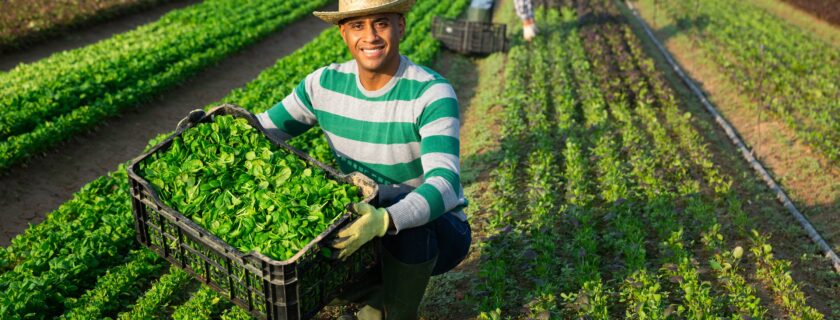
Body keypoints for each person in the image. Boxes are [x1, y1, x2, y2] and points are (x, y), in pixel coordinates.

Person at [255, 0, 471, 318]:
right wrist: (215, 126)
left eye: (380, 23)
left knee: (406, 222)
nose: (370, 36)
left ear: (400, 26)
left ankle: (398, 312)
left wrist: (386, 220)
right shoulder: (323, 85)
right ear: (344, 33)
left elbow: (445, 184)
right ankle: (376, 299)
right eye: (357, 25)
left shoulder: (430, 93)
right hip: (364, 215)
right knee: (309, 234)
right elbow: (264, 130)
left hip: (438, 230)